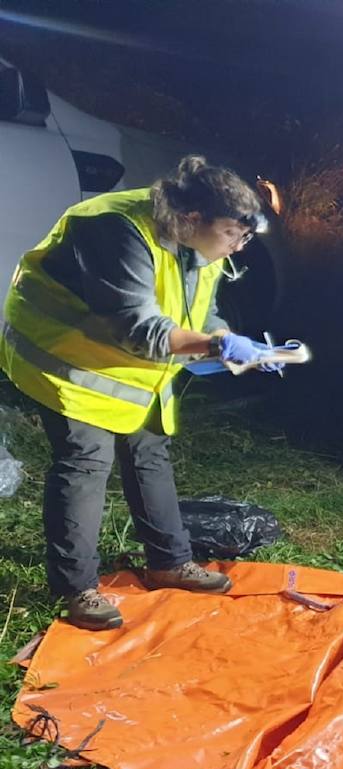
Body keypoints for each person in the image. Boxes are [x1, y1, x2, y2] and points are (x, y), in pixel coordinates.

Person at [0, 155, 282, 632]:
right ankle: (77, 588)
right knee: (86, 460)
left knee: (149, 448)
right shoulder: (115, 229)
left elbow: (200, 311)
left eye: (246, 236)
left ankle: (169, 561)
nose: (240, 246)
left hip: (129, 364)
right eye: (235, 234)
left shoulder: (203, 241)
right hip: (65, 355)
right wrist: (215, 345)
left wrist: (227, 341)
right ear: (193, 218)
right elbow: (140, 329)